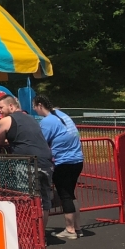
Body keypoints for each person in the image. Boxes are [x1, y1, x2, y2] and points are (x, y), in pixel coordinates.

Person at [0, 95, 54, 218]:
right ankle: (41, 235)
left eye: (1, 108)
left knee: (27, 198)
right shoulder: (31, 118)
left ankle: (31, 234)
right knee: (44, 200)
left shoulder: (6, 120)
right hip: (45, 160)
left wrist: (7, 142)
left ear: (11, 106)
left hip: (27, 162)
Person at [33, 95, 84, 240]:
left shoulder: (47, 121)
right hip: (77, 159)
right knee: (70, 193)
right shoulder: (61, 114)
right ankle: (77, 227)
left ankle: (70, 229)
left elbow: (41, 141)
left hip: (63, 161)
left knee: (65, 195)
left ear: (40, 105)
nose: (34, 109)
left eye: (34, 106)